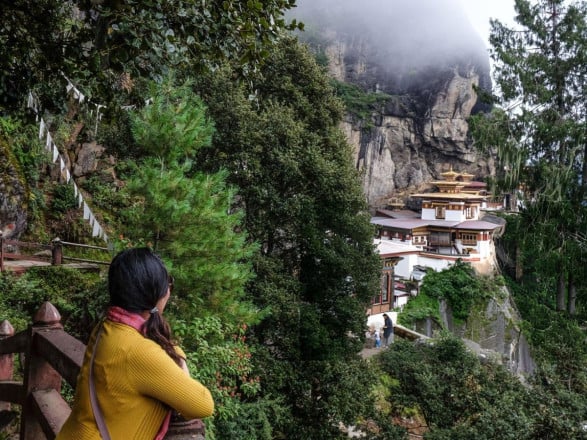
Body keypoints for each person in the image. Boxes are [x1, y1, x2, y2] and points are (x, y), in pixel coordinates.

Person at [57, 247, 214, 440]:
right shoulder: (139, 352)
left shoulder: (107, 325)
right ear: (156, 294)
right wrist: (179, 358)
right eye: (168, 284)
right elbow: (203, 405)